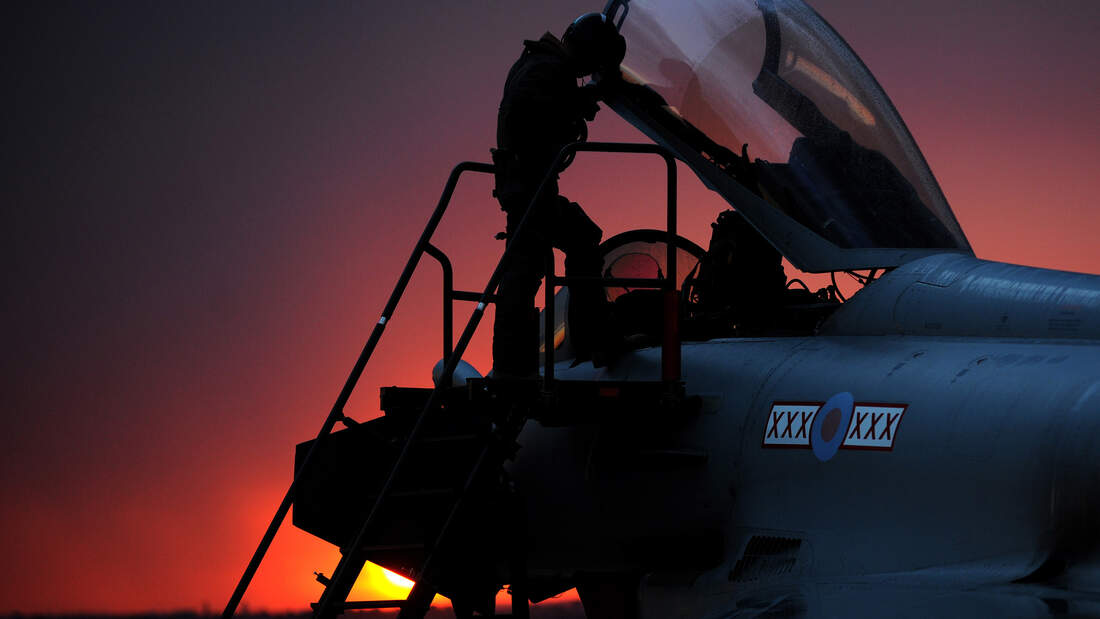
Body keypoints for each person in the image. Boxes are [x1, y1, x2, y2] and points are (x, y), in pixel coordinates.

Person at [491, 13, 626, 378]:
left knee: (525, 267)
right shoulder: (549, 70)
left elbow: (541, 110)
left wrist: (578, 102)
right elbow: (536, 116)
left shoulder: (539, 63)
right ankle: (591, 338)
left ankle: (512, 364)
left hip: (525, 184)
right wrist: (578, 105)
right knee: (571, 243)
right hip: (531, 186)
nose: (589, 71)